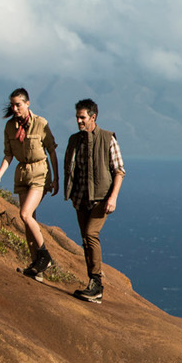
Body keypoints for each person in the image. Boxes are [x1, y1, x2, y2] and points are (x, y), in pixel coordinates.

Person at [0, 88, 59, 280]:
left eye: (18, 104)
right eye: (12, 105)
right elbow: (8, 154)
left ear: (27, 103)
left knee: (25, 214)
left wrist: (56, 178)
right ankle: (36, 267)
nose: (14, 108)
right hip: (21, 174)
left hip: (39, 173)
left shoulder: (40, 123)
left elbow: (51, 151)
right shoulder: (10, 127)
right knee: (28, 221)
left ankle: (45, 256)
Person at [62, 98, 125, 303]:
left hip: (101, 199)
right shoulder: (74, 140)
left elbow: (119, 171)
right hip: (81, 199)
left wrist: (113, 198)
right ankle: (92, 285)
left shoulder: (108, 139)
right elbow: (71, 169)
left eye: (82, 117)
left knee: (91, 235)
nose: (79, 121)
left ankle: (97, 283)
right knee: (86, 241)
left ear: (93, 117)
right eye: (77, 117)